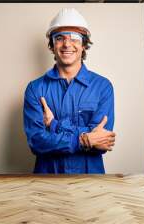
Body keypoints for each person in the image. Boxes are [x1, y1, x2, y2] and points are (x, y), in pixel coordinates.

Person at [23, 8, 116, 174]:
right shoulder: (35, 89)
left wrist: (54, 125)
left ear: (84, 45)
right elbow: (37, 142)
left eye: (74, 38)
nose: (67, 44)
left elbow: (101, 143)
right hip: (47, 180)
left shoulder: (103, 87)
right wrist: (84, 139)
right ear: (52, 46)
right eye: (59, 38)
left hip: (90, 181)